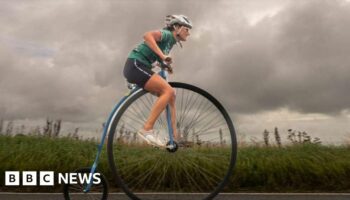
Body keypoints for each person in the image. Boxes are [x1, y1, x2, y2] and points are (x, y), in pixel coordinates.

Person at [123, 15, 192, 147]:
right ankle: (147, 129)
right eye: (186, 29)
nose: (188, 33)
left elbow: (159, 56)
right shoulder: (166, 34)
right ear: (176, 27)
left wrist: (165, 64)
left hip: (140, 67)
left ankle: (174, 135)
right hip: (136, 65)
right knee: (168, 90)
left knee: (171, 95)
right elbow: (147, 36)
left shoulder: (170, 43)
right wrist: (163, 56)